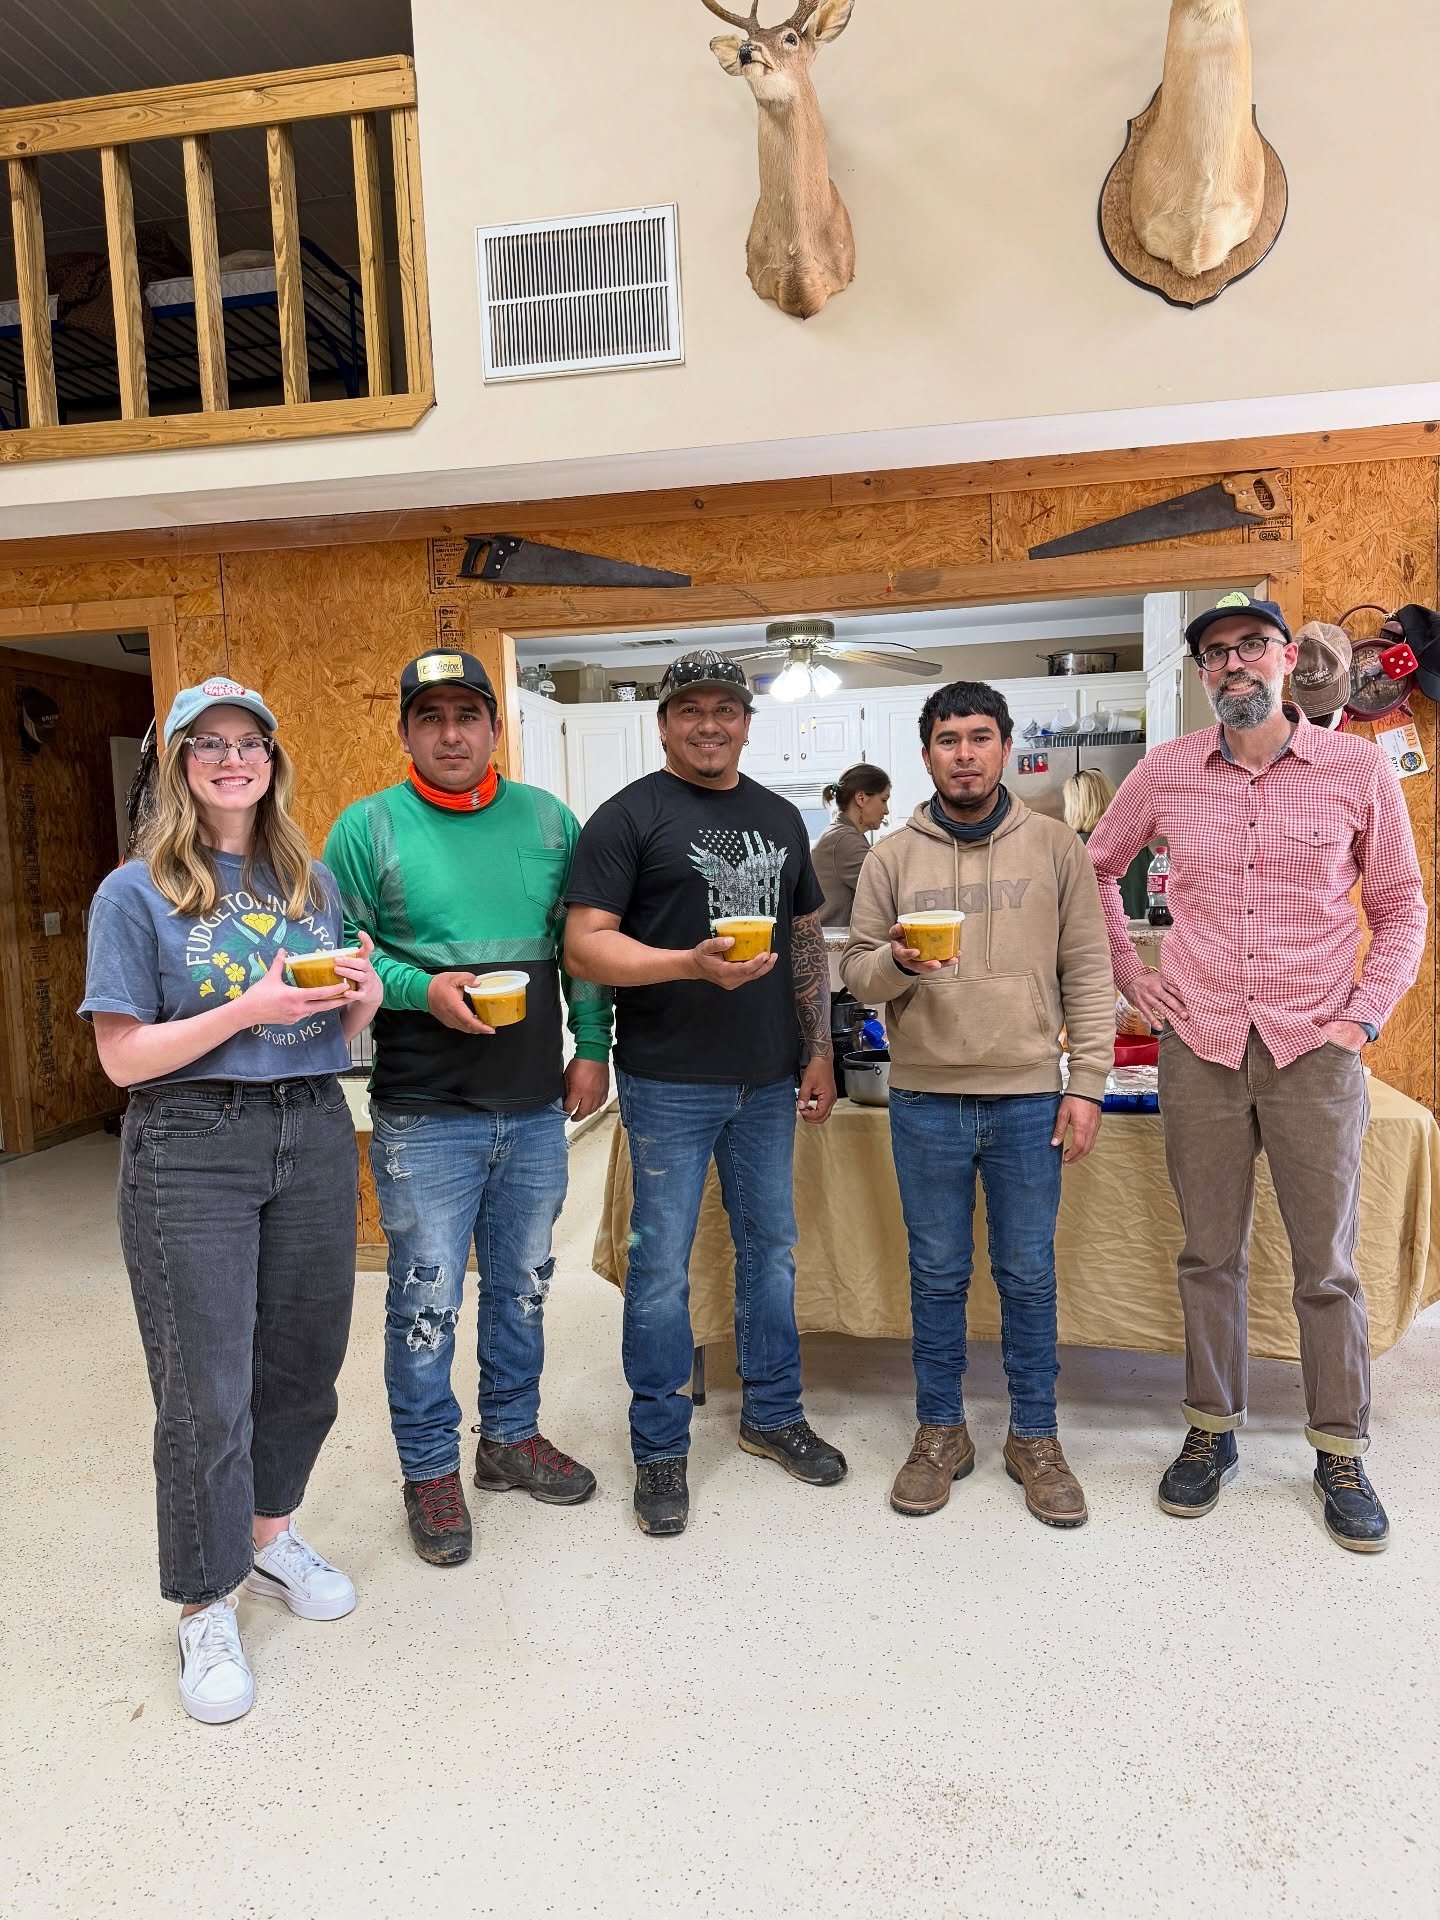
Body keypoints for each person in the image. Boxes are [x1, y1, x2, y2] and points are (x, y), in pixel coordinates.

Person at [1086, 593, 1426, 1553]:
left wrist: (1361, 1018)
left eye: (1252, 648)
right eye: (1217, 654)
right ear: (1202, 676)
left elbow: (1401, 906)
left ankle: (1340, 1446)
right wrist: (1132, 980)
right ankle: (1211, 1430)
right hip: (1199, 1044)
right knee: (1208, 1255)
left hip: (1315, 1048)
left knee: (1326, 1264)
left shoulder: (1358, 770)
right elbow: (1098, 868)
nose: (1234, 665)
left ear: (1285, 661)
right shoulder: (1164, 772)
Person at [81, 676, 382, 1725]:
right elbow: (123, 1060)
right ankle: (204, 1601)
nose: (230, 758)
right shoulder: (136, 892)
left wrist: (366, 1004)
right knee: (205, 1388)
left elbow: (328, 1034)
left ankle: (268, 1540)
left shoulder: (307, 879)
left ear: (271, 757)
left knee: (303, 1363)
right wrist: (248, 1006)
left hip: (310, 1125)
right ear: (178, 764)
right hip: (189, 1141)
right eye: (207, 743)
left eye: (248, 740)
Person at [323, 650, 612, 1569]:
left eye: (468, 716)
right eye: (431, 717)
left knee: (525, 1286)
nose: (452, 734)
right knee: (425, 1300)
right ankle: (428, 1470)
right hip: (423, 1111)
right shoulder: (365, 830)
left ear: (495, 727)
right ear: (406, 730)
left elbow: (581, 949)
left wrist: (593, 1049)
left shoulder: (549, 820)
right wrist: (420, 988)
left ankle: (510, 1440)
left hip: (533, 1108)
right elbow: (343, 954)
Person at [564, 649, 846, 1537]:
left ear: (746, 721)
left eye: (728, 708)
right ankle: (659, 1448)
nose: (711, 724)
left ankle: (771, 1414)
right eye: (692, 710)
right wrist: (684, 965)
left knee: (772, 1252)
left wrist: (819, 1046)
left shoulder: (780, 817)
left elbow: (806, 941)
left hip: (767, 1081)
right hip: (668, 1083)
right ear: (665, 723)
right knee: (659, 1269)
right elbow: (584, 946)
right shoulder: (629, 817)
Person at [842, 681, 1114, 1528]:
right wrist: (895, 967)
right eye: (948, 739)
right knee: (936, 1275)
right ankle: (940, 1432)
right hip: (925, 1097)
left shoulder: (1055, 847)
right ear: (926, 754)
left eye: (980, 737)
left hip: (1031, 1097)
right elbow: (855, 975)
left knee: (1028, 1277)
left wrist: (1088, 1085)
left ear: (1003, 747)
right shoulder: (891, 858)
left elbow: (1090, 971)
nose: (964, 752)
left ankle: (1035, 1435)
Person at [1061, 768, 1151, 921]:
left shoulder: (1069, 847)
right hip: (1133, 934)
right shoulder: (1139, 847)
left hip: (1090, 939)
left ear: (1073, 806)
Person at [813, 763, 891, 925]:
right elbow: (885, 893)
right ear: (861, 798)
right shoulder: (845, 840)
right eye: (883, 800)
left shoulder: (842, 834)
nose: (886, 810)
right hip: (834, 947)